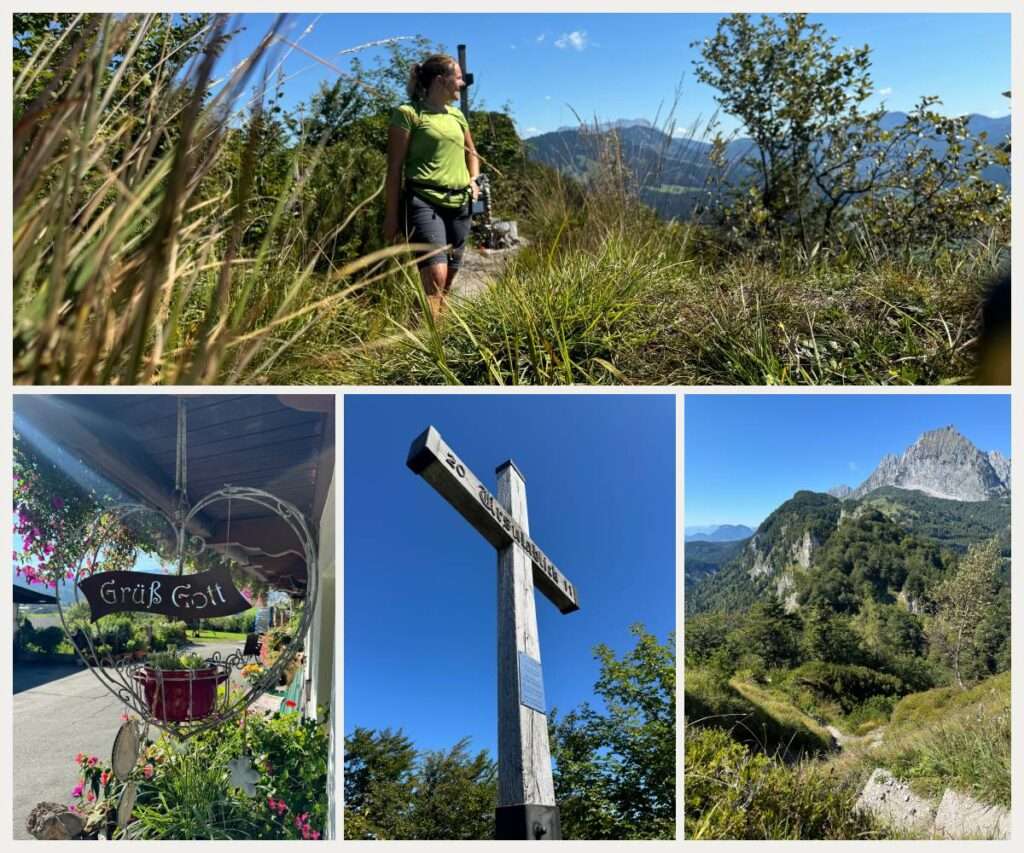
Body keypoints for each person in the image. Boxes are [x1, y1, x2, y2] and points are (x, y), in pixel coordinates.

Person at [384, 54, 480, 319]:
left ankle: (425, 332)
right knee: (436, 277)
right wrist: (391, 218)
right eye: (458, 77)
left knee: (446, 282)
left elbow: (472, 153)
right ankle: (429, 347)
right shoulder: (408, 114)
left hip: (460, 204)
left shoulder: (458, 116)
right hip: (424, 202)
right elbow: (394, 169)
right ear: (441, 80)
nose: (463, 83)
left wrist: (473, 180)